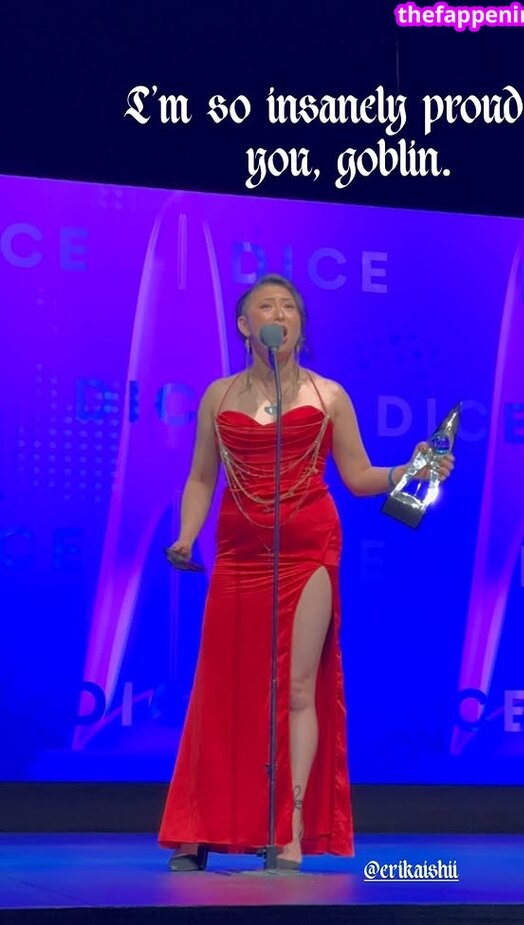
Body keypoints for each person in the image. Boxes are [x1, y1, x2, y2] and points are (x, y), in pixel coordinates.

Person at [158, 274, 455, 871]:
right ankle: (201, 827)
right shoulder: (218, 396)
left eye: (289, 307)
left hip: (308, 549)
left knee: (296, 688)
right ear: (245, 325)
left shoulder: (328, 396)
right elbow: (201, 477)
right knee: (222, 687)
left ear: (299, 324)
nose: (279, 314)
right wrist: (186, 535)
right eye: (266, 306)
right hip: (239, 552)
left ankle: (287, 828)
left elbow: (358, 477)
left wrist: (411, 470)